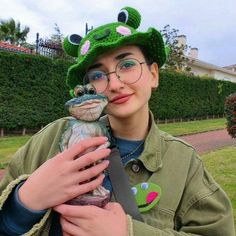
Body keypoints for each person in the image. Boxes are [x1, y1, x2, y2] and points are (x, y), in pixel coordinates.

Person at [0, 6, 235, 236]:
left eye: (127, 65)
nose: (114, 84)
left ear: (153, 75)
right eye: (98, 75)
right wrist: (23, 202)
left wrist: (129, 232)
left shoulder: (184, 163)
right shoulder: (49, 140)